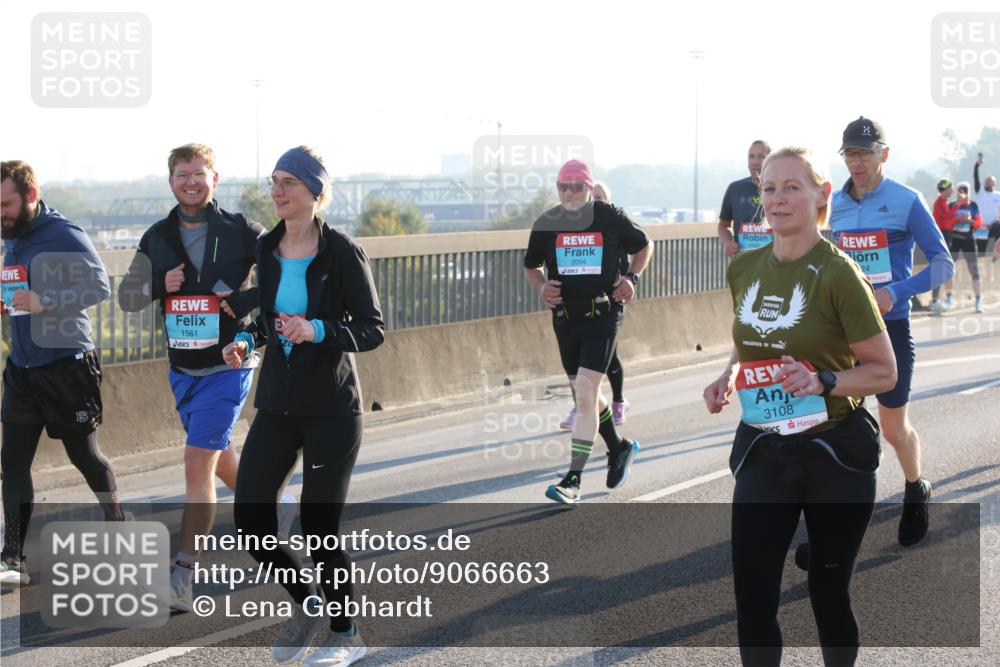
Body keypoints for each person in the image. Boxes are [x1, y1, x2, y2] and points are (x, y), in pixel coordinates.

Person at [703, 146, 897, 666]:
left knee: (828, 596)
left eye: (792, 187)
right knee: (753, 597)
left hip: (835, 453)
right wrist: (727, 375)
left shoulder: (838, 274)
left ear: (821, 196)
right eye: (769, 188)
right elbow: (753, 340)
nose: (778, 199)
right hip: (766, 449)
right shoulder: (744, 267)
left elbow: (884, 371)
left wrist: (823, 380)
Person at [225, 146, 383, 666]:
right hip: (276, 404)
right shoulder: (267, 248)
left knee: (318, 528)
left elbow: (372, 329)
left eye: (289, 182)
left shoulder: (342, 252)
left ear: (315, 191)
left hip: (332, 410)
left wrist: (318, 329)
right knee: (250, 521)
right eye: (274, 181)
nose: (277, 191)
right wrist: (246, 343)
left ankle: (347, 635)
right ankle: (308, 601)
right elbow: (265, 320)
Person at [117, 143, 271, 610]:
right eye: (183, 175)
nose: (191, 182)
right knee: (219, 456)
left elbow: (287, 277)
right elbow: (126, 297)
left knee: (195, 464)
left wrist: (247, 303)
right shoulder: (156, 236)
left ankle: (183, 575)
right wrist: (156, 287)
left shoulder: (243, 231)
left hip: (229, 364)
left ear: (215, 179)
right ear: (171, 181)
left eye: (199, 174)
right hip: (183, 370)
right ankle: (267, 521)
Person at [828, 117, 954, 549]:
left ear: (885, 153)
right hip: (842, 329)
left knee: (894, 429)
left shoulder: (907, 200)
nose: (857, 162)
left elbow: (943, 264)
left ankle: (915, 487)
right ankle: (834, 522)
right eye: (849, 154)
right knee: (831, 421)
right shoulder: (836, 204)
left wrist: (895, 292)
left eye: (864, 152)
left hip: (890, 327)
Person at [1, 160, 127, 585]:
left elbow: (99, 286)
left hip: (67, 364)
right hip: (22, 366)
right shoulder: (11, 236)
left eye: (5, 204)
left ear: (31, 196)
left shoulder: (63, 232)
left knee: (84, 456)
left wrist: (45, 301)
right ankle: (13, 556)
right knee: (13, 461)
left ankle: (117, 527)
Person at [524, 160, 651, 505]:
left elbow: (643, 244)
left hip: (604, 314)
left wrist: (631, 278)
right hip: (566, 318)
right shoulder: (547, 222)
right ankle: (620, 448)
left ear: (590, 188)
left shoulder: (609, 216)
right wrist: (541, 287)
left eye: (576, 187)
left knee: (584, 391)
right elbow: (531, 264)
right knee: (587, 396)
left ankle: (573, 478)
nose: (568, 193)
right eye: (562, 186)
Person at [559, 180, 631, 429]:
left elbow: (631, 256)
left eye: (601, 199)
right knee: (580, 363)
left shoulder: (615, 226)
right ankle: (582, 408)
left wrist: (628, 281)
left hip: (611, 304)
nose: (597, 202)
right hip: (580, 309)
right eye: (594, 198)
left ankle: (618, 402)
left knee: (610, 361)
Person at [934, 182, 983, 313]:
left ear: (968, 192)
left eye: (964, 191)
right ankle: (949, 298)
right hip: (954, 241)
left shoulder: (973, 206)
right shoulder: (951, 206)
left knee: (974, 271)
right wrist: (957, 219)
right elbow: (946, 223)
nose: (961, 194)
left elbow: (979, 224)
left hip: (969, 241)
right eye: (959, 191)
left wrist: (969, 221)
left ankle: (978, 301)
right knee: (949, 270)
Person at [717, 140, 772, 256]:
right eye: (751, 157)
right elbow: (723, 225)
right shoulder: (735, 188)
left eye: (761, 157)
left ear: (771, 161)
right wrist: (728, 243)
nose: (755, 162)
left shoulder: (780, 189)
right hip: (743, 263)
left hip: (774, 262)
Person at [929, 178, 955, 310]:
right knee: (940, 266)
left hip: (946, 235)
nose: (953, 190)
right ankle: (934, 301)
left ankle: (936, 299)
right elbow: (947, 218)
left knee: (943, 267)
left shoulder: (943, 201)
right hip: (943, 235)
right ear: (945, 189)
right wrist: (958, 206)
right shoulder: (940, 202)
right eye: (951, 187)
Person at [973, 153, 1000, 252]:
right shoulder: (980, 192)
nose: (988, 182)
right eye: (986, 181)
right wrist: (977, 165)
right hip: (982, 227)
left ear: (995, 183)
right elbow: (976, 178)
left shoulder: (998, 195)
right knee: (981, 250)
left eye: (990, 181)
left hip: (994, 226)